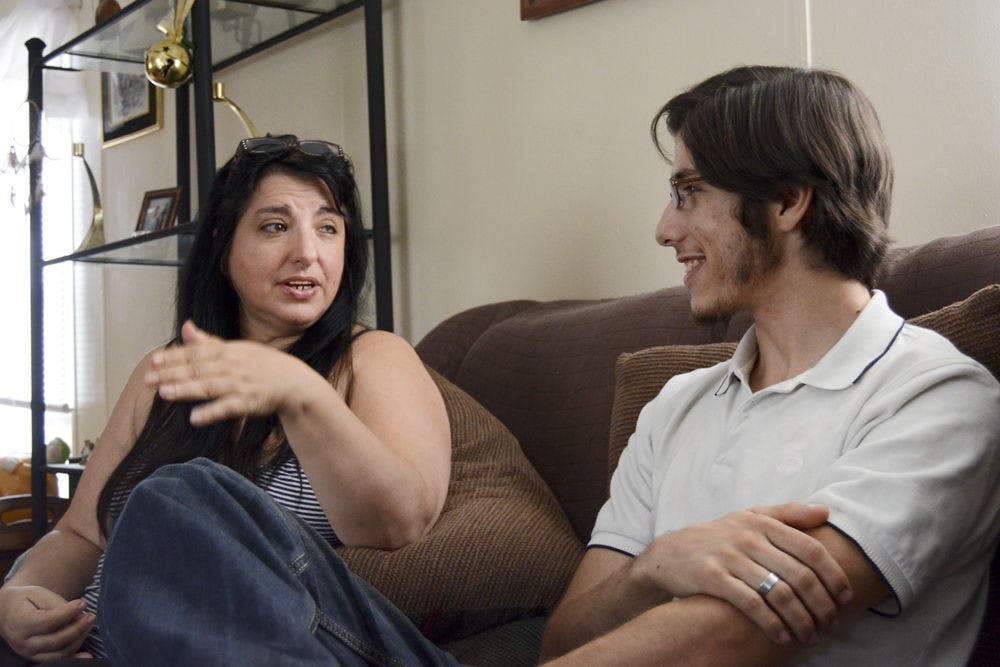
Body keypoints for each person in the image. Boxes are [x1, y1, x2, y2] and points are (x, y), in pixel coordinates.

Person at [539, 66, 1000, 665]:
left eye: (690, 191)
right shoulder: (674, 404)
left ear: (786, 201)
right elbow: (559, 643)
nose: (664, 229)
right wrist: (653, 568)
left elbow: (734, 634)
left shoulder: (935, 399)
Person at [0, 135, 454, 663]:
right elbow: (80, 534)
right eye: (275, 226)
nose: (307, 252)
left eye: (328, 228)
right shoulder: (166, 370)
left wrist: (299, 394)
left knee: (179, 493)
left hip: (317, 643)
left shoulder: (372, 357)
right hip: (111, 647)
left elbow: (401, 520)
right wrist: (17, 592)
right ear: (223, 247)